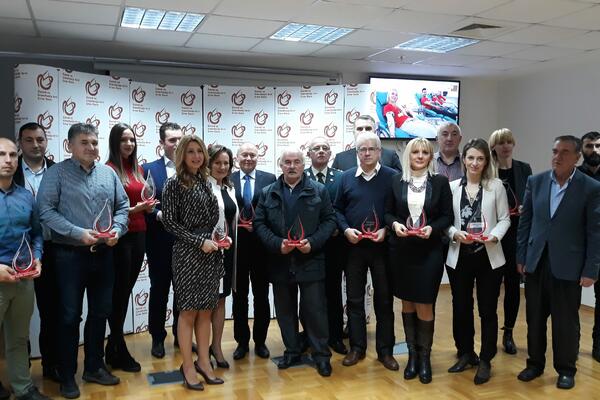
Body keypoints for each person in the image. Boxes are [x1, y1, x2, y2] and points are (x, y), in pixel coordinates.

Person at [37, 123, 129, 399]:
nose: (91, 147)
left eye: (94, 142)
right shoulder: (56, 173)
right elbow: (45, 211)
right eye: (84, 143)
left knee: (100, 312)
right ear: (70, 146)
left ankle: (94, 367)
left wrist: (117, 230)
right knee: (69, 316)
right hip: (68, 256)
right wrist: (78, 233)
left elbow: (123, 207)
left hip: (104, 254)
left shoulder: (108, 173)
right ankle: (67, 374)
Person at [516, 135, 600, 390]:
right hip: (537, 262)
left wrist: (591, 269)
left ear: (577, 157)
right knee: (534, 319)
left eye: (564, 152)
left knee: (566, 322)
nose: (557, 156)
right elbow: (525, 223)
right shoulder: (536, 181)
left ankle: (566, 369)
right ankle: (534, 364)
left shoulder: (590, 188)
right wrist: (521, 257)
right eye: (555, 151)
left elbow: (595, 233)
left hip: (568, 265)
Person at [254, 149, 336, 377]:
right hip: (280, 261)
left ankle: (321, 356)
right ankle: (292, 351)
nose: (292, 166)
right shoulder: (267, 193)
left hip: (310, 260)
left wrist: (313, 242)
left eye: (296, 162)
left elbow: (329, 220)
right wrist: (277, 244)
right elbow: (259, 223)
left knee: (315, 312)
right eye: (287, 162)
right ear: (280, 165)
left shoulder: (319, 190)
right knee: (285, 311)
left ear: (303, 164)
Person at [384, 137, 453, 384]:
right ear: (408, 156)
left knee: (424, 302)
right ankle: (412, 356)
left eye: (425, 152)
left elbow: (447, 216)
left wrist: (432, 229)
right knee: (407, 303)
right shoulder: (396, 181)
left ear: (430, 156)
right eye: (416, 152)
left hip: (429, 251)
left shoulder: (440, 182)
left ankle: (425, 358)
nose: (420, 156)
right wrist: (395, 225)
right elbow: (388, 212)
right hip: (402, 251)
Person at [161, 135, 224, 390]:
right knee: (188, 312)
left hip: (210, 253)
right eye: (190, 151)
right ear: (181, 155)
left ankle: (204, 362)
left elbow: (212, 219)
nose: (196, 156)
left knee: (206, 310)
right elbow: (169, 222)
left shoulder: (205, 181)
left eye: (199, 151)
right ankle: (187, 366)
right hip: (187, 254)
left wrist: (219, 239)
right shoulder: (173, 183)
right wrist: (199, 241)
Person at [445, 138, 510, 385]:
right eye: (471, 158)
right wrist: (454, 233)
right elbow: (445, 221)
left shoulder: (496, 186)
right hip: (459, 256)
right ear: (463, 159)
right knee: (461, 307)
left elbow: (505, 219)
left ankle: (485, 359)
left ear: (486, 161)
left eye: (480, 159)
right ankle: (465, 353)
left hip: (488, 257)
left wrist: (495, 235)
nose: (475, 163)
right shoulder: (451, 187)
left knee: (487, 309)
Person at [334, 131, 399, 371]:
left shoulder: (393, 177)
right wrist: (345, 229)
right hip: (354, 249)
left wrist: (386, 229)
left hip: (383, 249)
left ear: (380, 152)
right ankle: (357, 347)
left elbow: (398, 211)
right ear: (357, 153)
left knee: (384, 300)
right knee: (354, 300)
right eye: (363, 149)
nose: (367, 153)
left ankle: (385, 351)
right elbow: (337, 209)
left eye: (372, 149)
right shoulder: (345, 178)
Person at [0, 138, 49, 400]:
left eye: (12, 155)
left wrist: (37, 257)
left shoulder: (26, 196)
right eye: (1, 155)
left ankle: (23, 388)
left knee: (19, 338)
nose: (8, 160)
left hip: (23, 279)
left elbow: (36, 234)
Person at [105, 123, 154, 372]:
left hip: (140, 235)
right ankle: (118, 348)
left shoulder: (138, 169)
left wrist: (148, 207)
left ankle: (112, 348)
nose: (129, 144)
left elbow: (143, 199)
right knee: (119, 294)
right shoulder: (108, 170)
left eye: (132, 140)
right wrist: (135, 209)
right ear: (114, 142)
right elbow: (108, 210)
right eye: (124, 140)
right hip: (121, 238)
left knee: (124, 292)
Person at [14, 122, 58, 382]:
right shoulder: (8, 172)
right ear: (20, 143)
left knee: (51, 311)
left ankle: (51, 364)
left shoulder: (58, 171)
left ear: (46, 141)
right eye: (29, 140)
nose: (35, 144)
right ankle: (22, 370)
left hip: (53, 250)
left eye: (40, 139)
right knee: (17, 316)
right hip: (16, 253)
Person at [488, 128, 532, 355]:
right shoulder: (488, 171)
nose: (505, 146)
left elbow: (531, 199)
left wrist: (527, 209)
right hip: (494, 236)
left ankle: (509, 333)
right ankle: (490, 334)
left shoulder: (524, 169)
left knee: (513, 287)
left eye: (508, 142)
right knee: (492, 288)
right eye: (501, 142)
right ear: (493, 147)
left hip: (517, 236)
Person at [142, 122, 184, 359]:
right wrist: (159, 214)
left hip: (187, 243)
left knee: (183, 291)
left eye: (180, 139)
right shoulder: (148, 169)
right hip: (159, 241)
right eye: (171, 140)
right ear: (161, 143)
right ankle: (157, 338)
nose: (177, 144)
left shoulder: (193, 168)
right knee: (159, 290)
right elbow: (144, 203)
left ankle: (181, 335)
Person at [230, 143, 275, 360]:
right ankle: (241, 342)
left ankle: (260, 341)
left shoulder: (270, 179)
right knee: (239, 297)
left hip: (261, 248)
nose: (248, 158)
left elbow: (273, 212)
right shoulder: (227, 179)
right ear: (237, 158)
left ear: (258, 157)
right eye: (244, 155)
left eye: (252, 155)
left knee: (261, 296)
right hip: (236, 248)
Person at [304, 136, 347, 355]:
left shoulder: (340, 177)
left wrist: (337, 227)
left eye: (325, 148)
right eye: (316, 148)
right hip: (309, 245)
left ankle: (335, 336)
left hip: (334, 244)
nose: (321, 151)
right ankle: (310, 336)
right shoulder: (301, 176)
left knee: (333, 291)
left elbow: (344, 207)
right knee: (310, 295)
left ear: (330, 154)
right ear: (308, 154)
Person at [207, 145, 238, 369]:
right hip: (206, 253)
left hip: (226, 253)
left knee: (220, 299)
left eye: (226, 163)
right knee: (204, 303)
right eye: (217, 162)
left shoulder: (228, 187)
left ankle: (216, 347)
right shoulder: (202, 186)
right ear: (209, 163)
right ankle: (201, 350)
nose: (222, 166)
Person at [578, 131, 600, 362]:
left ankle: (598, 346)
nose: (594, 150)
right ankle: (570, 345)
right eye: (589, 146)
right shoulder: (574, 176)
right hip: (577, 246)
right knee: (570, 302)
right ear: (582, 149)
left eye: (598, 146)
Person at [331, 115, 402, 173]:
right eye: (359, 129)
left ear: (375, 131)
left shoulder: (390, 156)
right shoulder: (340, 159)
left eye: (368, 128)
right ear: (354, 132)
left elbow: (399, 181)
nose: (364, 132)